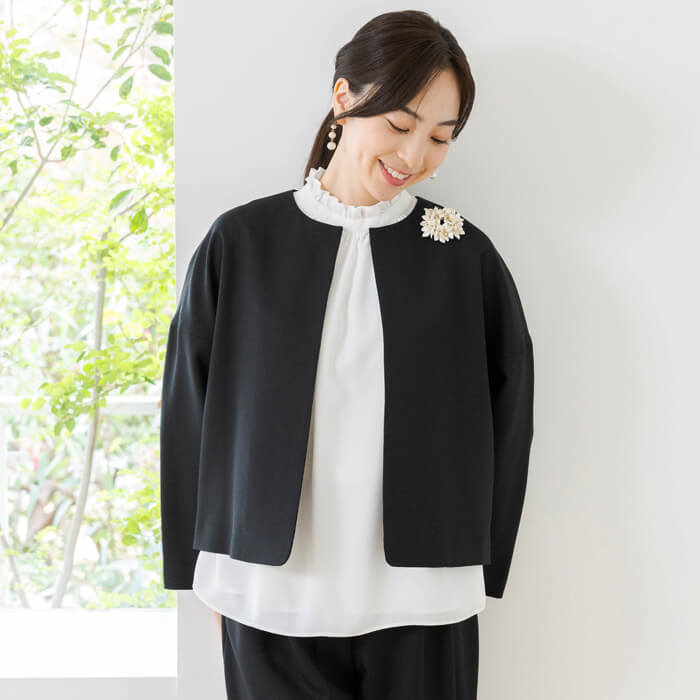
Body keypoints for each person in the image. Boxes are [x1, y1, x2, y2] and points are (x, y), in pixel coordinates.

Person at [159, 9, 535, 700]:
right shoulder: (241, 243)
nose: (415, 155)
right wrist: (198, 566)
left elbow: (511, 411)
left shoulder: (464, 257)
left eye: (440, 137)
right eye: (400, 124)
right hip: (270, 591)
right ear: (344, 98)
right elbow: (189, 403)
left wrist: (485, 562)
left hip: (424, 596)